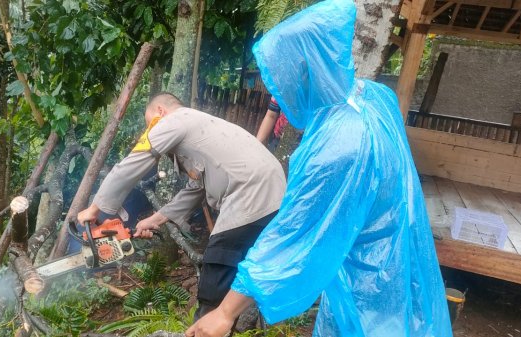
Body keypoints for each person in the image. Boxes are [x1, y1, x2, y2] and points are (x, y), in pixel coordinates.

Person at [186, 0, 452, 336]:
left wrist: (225, 313)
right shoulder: (375, 97)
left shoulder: (339, 146)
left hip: (372, 289)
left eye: (282, 81)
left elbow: (295, 235)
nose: (279, 93)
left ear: (307, 72)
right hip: (399, 261)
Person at [77, 93, 287, 321]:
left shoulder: (172, 121)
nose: (151, 131)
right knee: (236, 275)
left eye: (151, 124)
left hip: (251, 194)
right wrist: (155, 219)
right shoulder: (202, 126)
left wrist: (95, 209)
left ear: (160, 111)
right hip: (273, 194)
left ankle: (205, 327)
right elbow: (196, 189)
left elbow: (130, 165)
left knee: (216, 272)